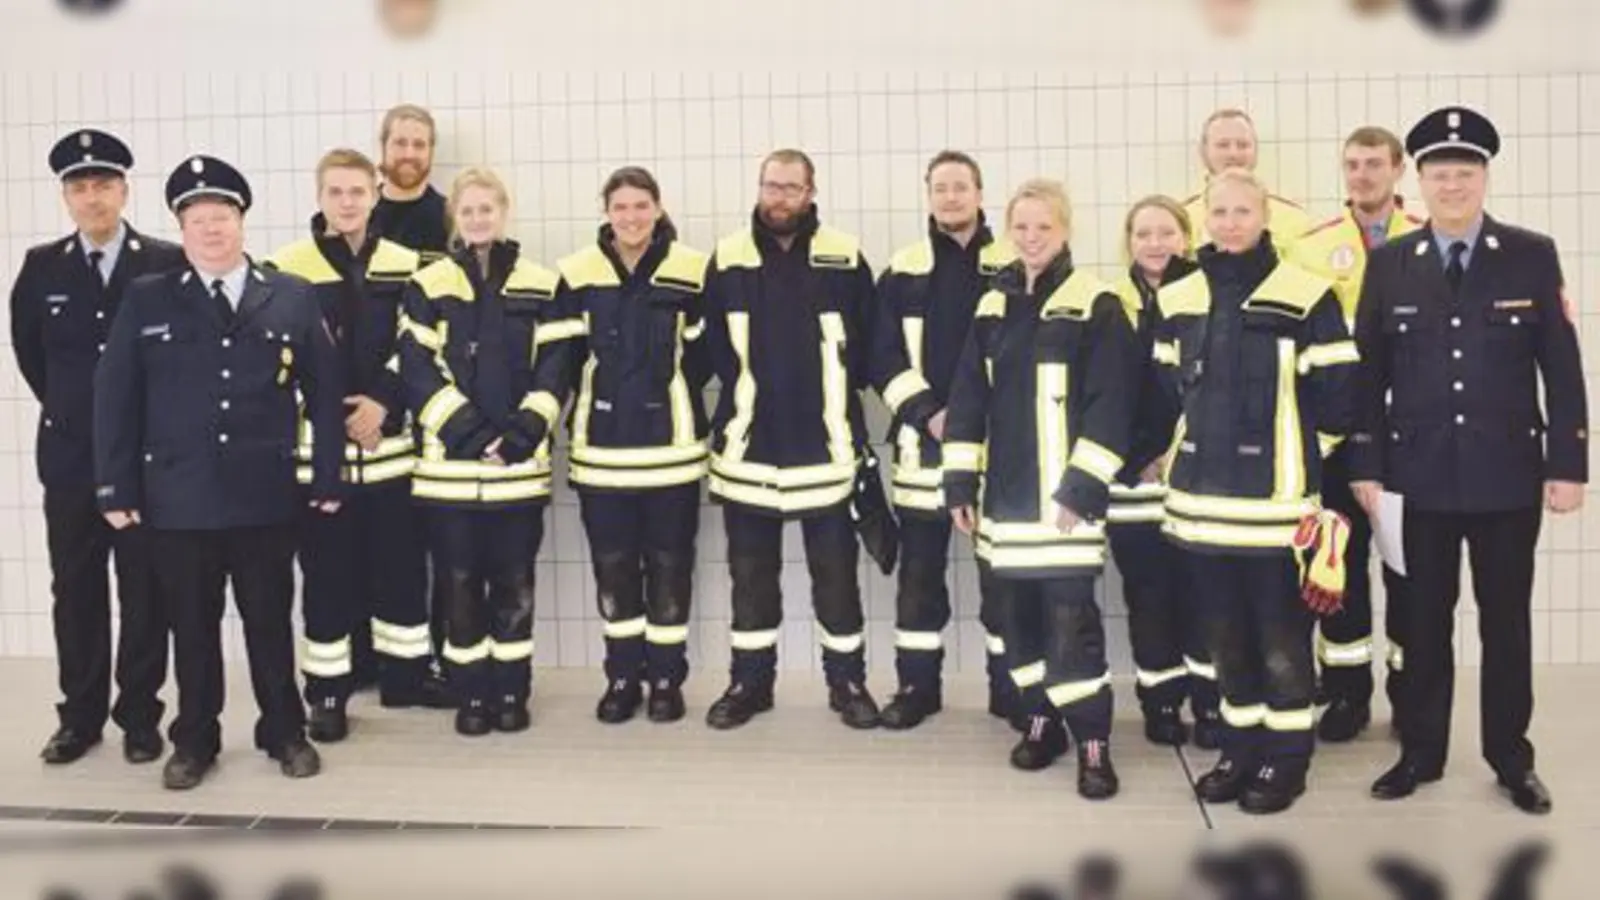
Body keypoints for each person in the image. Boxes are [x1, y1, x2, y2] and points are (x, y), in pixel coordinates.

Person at [1356, 106, 1585, 815]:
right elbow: (1368, 371)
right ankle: (1420, 753)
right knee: (1421, 622)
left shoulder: (1531, 253)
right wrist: (1365, 464)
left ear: (1485, 178)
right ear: (1416, 181)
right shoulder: (1391, 262)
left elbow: (1562, 365)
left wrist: (1569, 463)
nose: (1452, 185)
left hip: (1507, 476)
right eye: (1439, 173)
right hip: (1414, 477)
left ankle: (1511, 759)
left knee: (1506, 622)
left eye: (1466, 172)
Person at [93, 154, 347, 790]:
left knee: (269, 622)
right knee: (192, 628)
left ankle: (284, 732)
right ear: (182, 229)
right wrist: (115, 488)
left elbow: (325, 391)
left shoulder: (288, 294)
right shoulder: (147, 299)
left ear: (241, 222)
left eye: (223, 216)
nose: (212, 229)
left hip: (264, 497)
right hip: (178, 500)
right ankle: (196, 740)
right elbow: (115, 399)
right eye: (198, 219)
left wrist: (327, 477)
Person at [1152, 167, 1356, 815]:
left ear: (1265, 218)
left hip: (1275, 516)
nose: (1232, 222)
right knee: (1224, 641)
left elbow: (1340, 400)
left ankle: (1287, 760)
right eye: (1221, 211)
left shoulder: (1306, 293)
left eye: (1244, 211)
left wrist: (1295, 459)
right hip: (1199, 516)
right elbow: (1165, 394)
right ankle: (1240, 751)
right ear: (1205, 218)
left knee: (1281, 642)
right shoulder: (1179, 294)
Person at [943, 177, 1137, 799]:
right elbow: (968, 401)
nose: (1031, 238)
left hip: (1064, 511)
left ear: (1066, 230)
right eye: (1021, 227)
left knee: (1070, 628)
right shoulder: (992, 306)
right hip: (1003, 507)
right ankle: (1041, 720)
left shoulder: (1097, 302)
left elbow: (1113, 406)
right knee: (1013, 624)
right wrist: (957, 483)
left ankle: (1093, 743)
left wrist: (1081, 489)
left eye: (1043, 228)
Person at [263, 148, 453, 743]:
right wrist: (334, 414)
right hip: (320, 459)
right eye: (336, 192)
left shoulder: (407, 263)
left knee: (401, 570)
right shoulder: (284, 266)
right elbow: (278, 355)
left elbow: (418, 343)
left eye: (357, 192)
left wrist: (383, 404)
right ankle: (327, 692)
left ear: (374, 195)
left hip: (391, 451)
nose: (347, 202)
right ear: (319, 197)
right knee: (327, 578)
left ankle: (406, 677)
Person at [9, 128, 183, 766]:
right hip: (72, 461)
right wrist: (78, 416)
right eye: (79, 187)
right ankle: (78, 718)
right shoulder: (40, 269)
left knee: (145, 591)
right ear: (65, 197)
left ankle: (140, 715)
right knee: (75, 590)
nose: (92, 197)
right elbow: (35, 360)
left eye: (103, 184)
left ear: (124, 190)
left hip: (144, 463)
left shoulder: (163, 262)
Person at [700, 148, 885, 730]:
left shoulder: (844, 256)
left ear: (811, 192)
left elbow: (870, 345)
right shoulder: (727, 258)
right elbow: (705, 353)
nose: (778, 198)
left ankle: (848, 683)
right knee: (751, 580)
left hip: (826, 451)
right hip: (748, 452)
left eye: (790, 188)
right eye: (770, 186)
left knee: (837, 579)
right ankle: (749, 684)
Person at [397, 167, 580, 737]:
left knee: (514, 585)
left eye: (487, 208)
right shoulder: (427, 284)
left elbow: (560, 369)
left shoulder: (544, 284)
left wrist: (523, 433)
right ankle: (470, 694)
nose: (478, 218)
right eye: (468, 210)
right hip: (448, 479)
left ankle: (511, 691)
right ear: (456, 216)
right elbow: (417, 370)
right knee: (457, 586)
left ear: (504, 213)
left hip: (518, 476)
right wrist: (474, 437)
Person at [555, 166, 711, 724]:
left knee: (671, 568)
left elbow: (708, 355)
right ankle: (622, 677)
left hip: (673, 454)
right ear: (606, 211)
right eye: (620, 207)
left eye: (641, 206)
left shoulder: (692, 269)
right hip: (601, 457)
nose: (631, 217)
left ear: (658, 207)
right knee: (614, 571)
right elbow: (564, 365)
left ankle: (667, 680)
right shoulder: (575, 274)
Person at [871, 150, 1019, 730]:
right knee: (918, 581)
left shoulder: (1015, 261)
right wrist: (926, 412)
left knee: (1001, 582)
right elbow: (878, 353)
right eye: (941, 188)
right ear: (928, 196)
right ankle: (916, 688)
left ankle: (1010, 692)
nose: (951, 197)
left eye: (961, 187)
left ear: (981, 195)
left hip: (1000, 451)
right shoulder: (903, 268)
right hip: (922, 448)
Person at [1291, 125, 1426, 743]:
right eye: (1352, 164)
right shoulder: (1312, 246)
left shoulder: (1431, 236)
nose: (1362, 175)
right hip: (1338, 439)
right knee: (1335, 567)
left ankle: (1411, 693)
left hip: (1412, 441)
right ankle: (1345, 694)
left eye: (1374, 164)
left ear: (1398, 170)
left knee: (1411, 572)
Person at [1105, 195, 1220, 748]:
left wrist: (1175, 453)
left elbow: (1215, 390)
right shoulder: (1109, 302)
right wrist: (1135, 459)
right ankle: (1162, 704)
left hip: (1193, 476)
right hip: (1131, 481)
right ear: (1128, 242)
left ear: (1186, 237)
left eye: (1166, 232)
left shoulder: (1210, 295)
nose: (1155, 243)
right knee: (1148, 596)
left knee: (1202, 595)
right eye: (1143, 233)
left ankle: (1211, 704)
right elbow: (1099, 395)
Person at [370, 102, 453, 688]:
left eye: (419, 144)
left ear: (431, 153)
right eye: (400, 142)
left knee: (438, 547)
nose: (409, 154)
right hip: (368, 414)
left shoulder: (447, 218)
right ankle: (378, 662)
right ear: (383, 147)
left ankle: (435, 662)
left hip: (432, 407)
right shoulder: (353, 212)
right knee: (381, 547)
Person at [1182, 109, 1311, 256]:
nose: (1233, 153)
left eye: (1243, 145)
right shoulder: (1182, 219)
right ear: (1203, 151)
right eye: (1223, 145)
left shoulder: (1293, 219)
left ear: (1255, 150)